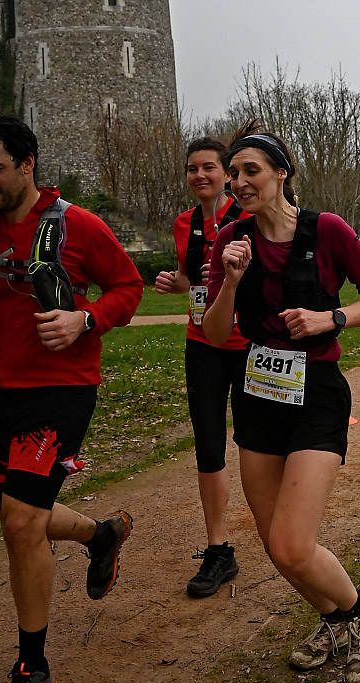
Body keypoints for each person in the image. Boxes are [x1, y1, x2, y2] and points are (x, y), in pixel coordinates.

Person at [0, 115, 143, 683]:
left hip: (60, 392)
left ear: (27, 164)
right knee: (17, 515)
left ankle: (33, 668)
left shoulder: (78, 225)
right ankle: (100, 535)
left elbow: (127, 287)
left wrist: (85, 319)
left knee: (21, 522)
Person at [202, 121, 360, 683]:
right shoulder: (230, 239)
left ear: (282, 174)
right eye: (233, 173)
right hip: (259, 396)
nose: (239, 182)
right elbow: (215, 333)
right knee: (276, 545)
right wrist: (230, 281)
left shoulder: (326, 229)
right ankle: (334, 619)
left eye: (251, 171)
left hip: (317, 395)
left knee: (291, 544)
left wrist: (329, 318)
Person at [155, 138, 251, 597]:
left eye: (209, 167)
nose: (200, 176)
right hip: (203, 344)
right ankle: (218, 549)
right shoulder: (184, 223)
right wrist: (175, 283)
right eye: (192, 169)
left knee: (260, 444)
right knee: (208, 444)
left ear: (226, 174)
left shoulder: (249, 217)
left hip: (250, 345)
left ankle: (285, 537)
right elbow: (194, 279)